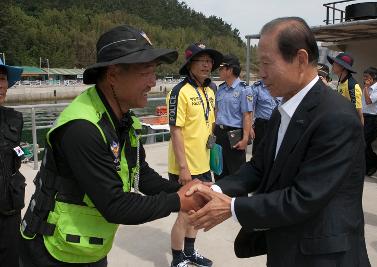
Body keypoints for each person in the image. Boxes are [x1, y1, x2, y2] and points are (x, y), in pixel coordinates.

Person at [187, 17, 370, 267]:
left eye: (266, 63)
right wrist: (216, 190)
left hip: (322, 255)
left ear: (301, 59)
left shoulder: (336, 117)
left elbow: (304, 197)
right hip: (285, 246)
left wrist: (232, 207)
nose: (261, 74)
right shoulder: (282, 111)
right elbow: (259, 167)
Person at [19, 25, 204, 267]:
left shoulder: (122, 119)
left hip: (88, 246)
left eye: (154, 71)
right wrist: (178, 201)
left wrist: (189, 189)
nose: (153, 82)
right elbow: (115, 205)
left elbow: (141, 175)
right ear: (114, 74)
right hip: (52, 251)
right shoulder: (82, 128)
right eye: (145, 72)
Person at [167, 43, 222, 267]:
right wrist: (183, 168)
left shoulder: (210, 91)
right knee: (184, 214)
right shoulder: (179, 92)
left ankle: (189, 252)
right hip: (185, 166)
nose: (207, 65)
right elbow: (175, 130)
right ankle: (177, 259)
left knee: (197, 212)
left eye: (209, 61)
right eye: (202, 61)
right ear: (190, 64)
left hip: (203, 163)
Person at [0, 59, 25, 267]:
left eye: (2, 79)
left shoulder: (15, 119)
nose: (0, 84)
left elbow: (15, 156)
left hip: (10, 209)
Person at [214, 54, 253, 180]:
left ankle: (238, 199)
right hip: (219, 133)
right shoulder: (220, 89)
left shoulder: (244, 90)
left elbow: (247, 115)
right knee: (219, 170)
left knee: (236, 173)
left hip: (234, 134)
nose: (219, 71)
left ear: (229, 70)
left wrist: (245, 138)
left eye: (221, 68)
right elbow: (216, 113)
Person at [361, 67, 377, 176]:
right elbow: (362, 105)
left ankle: (374, 162)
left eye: (366, 76)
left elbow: (368, 101)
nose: (364, 78)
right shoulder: (366, 88)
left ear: (374, 77)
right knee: (363, 143)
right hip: (364, 118)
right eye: (364, 76)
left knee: (364, 143)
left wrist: (366, 87)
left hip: (373, 120)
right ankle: (372, 163)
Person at [328, 52, 364, 124]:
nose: (333, 65)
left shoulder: (352, 85)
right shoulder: (341, 82)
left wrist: (359, 132)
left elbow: (358, 112)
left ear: (342, 67)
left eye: (335, 63)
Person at [251, 79, 279, 156]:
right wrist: (250, 126)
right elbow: (250, 108)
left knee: (275, 151)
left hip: (278, 123)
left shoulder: (281, 85)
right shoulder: (257, 87)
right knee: (259, 151)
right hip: (262, 125)